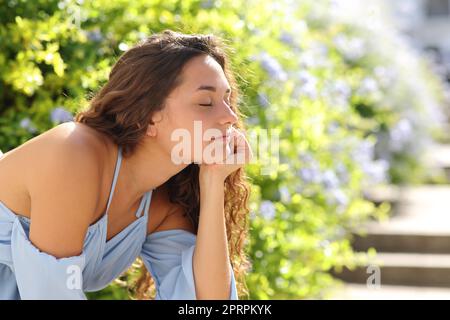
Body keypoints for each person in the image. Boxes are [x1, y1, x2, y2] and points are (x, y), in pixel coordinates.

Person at [0, 29, 253, 300]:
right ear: (150, 116)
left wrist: (213, 180)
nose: (229, 117)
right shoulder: (73, 154)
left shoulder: (162, 206)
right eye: (206, 102)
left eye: (227, 100)